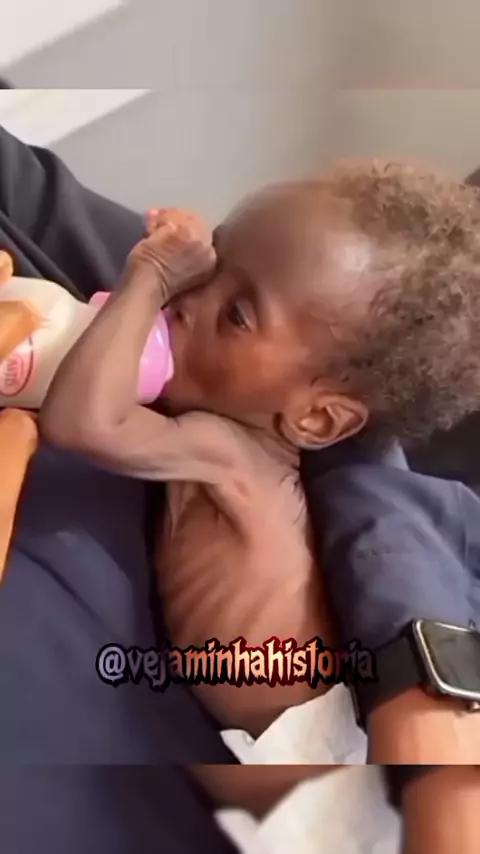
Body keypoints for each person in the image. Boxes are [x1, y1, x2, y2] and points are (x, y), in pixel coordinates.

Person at [0, 125, 479, 854]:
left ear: (317, 418)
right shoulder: (224, 427)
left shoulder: (227, 449)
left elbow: (80, 418)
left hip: (323, 766)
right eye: (211, 266)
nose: (190, 302)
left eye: (237, 314)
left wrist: (150, 275)